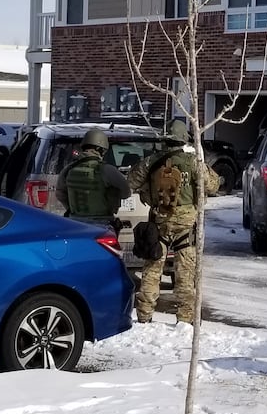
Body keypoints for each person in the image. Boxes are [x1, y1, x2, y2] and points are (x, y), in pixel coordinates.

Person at [128, 117, 220, 324]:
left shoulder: (150, 162)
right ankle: (185, 320)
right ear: (183, 140)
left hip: (159, 222)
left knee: (152, 271)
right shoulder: (194, 163)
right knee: (185, 274)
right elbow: (213, 185)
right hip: (186, 225)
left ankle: (144, 316)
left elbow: (131, 182)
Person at [56, 128, 131, 231]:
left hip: (75, 222)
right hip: (102, 224)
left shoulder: (68, 169)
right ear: (101, 150)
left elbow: (60, 194)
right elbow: (126, 193)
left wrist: (74, 209)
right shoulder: (106, 170)